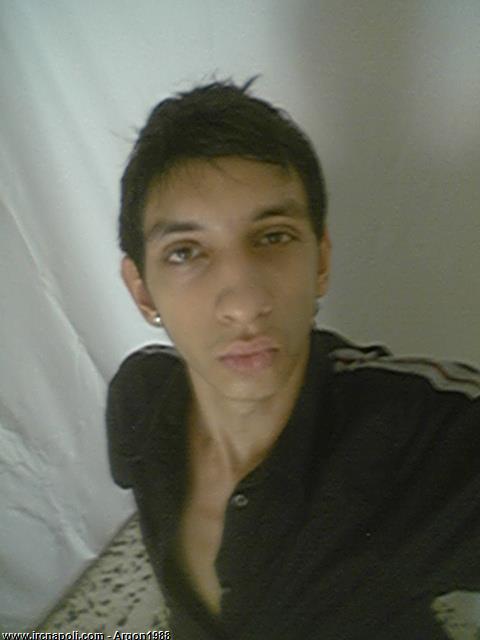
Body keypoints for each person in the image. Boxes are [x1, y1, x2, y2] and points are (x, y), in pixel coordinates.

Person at [106, 78, 480, 640]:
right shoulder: (138, 397)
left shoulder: (415, 441)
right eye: (185, 252)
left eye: (273, 237)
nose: (244, 304)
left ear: (320, 261)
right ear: (142, 292)